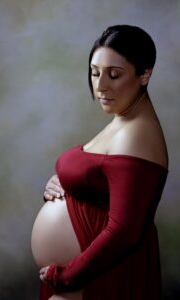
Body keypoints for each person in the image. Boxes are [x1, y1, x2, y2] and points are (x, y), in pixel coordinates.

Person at [31, 25, 169, 300]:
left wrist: (67, 276)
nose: (100, 85)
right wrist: (62, 186)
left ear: (145, 74)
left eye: (114, 75)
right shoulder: (124, 120)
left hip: (96, 279)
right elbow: (104, 184)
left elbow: (124, 232)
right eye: (95, 73)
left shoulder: (138, 132)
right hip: (82, 278)